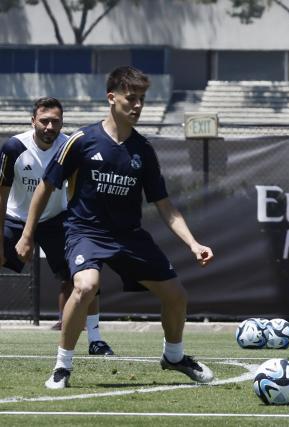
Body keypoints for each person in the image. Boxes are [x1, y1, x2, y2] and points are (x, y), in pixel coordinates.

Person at [15, 66, 215, 389]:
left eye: (142, 100)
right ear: (112, 98)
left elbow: (165, 205)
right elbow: (45, 187)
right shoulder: (82, 140)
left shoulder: (143, 151)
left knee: (176, 295)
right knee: (85, 285)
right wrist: (27, 235)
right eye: (130, 98)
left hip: (129, 237)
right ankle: (62, 367)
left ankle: (174, 356)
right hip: (85, 232)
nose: (137, 106)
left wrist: (193, 244)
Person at [0, 97, 113, 355]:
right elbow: (1, 195)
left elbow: (76, 189)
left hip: (56, 219)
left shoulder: (70, 146)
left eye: (56, 121)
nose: (50, 127)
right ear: (33, 121)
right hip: (15, 218)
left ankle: (95, 339)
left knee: (86, 271)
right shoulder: (14, 147)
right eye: (44, 121)